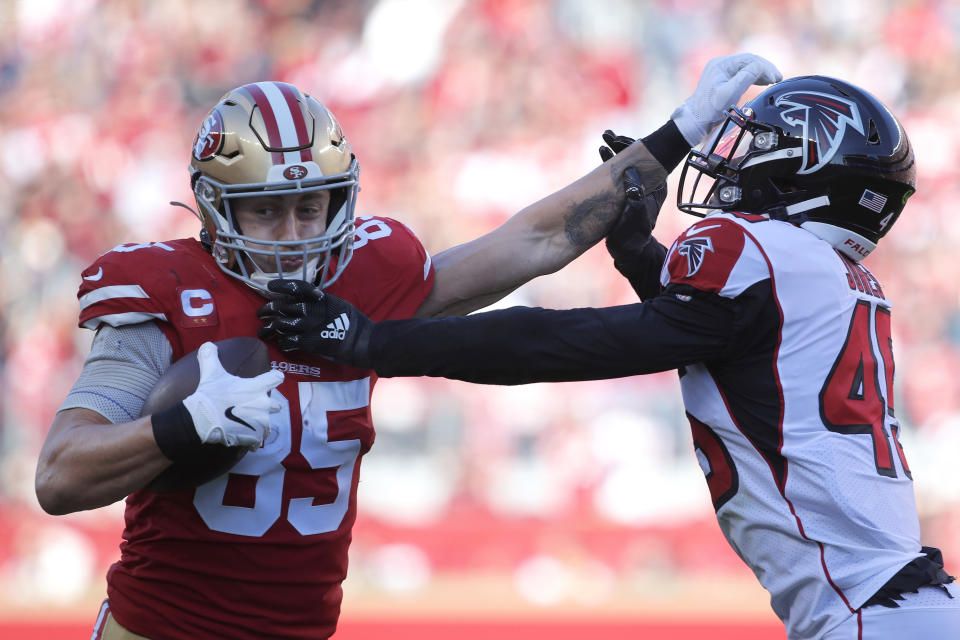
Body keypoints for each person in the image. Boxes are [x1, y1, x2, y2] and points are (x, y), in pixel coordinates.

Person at [34, 55, 781, 639]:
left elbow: (537, 237)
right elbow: (61, 476)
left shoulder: (367, 275)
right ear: (214, 206)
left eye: (310, 207)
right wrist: (180, 424)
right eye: (265, 213)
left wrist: (679, 133)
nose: (295, 235)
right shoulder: (165, 291)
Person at [257, 75, 960, 640]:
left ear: (806, 168)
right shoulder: (840, 279)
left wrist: (368, 341)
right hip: (902, 602)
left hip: (866, 613)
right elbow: (717, 335)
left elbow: (564, 344)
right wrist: (637, 253)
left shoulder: (763, 254)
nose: (734, 161)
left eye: (759, 146)